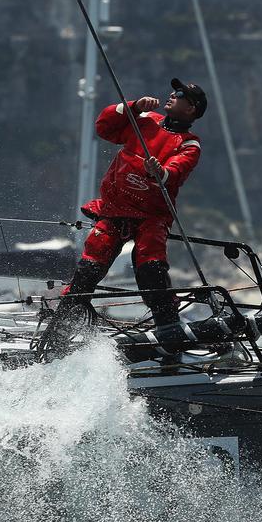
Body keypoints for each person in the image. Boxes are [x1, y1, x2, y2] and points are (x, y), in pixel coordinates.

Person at [60, 77, 208, 354]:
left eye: (179, 94)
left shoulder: (190, 144)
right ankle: (58, 333)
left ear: (191, 109)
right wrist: (133, 105)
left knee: (151, 271)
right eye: (173, 91)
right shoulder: (145, 119)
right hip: (114, 211)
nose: (171, 95)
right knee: (88, 270)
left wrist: (159, 173)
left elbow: (176, 172)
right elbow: (104, 127)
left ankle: (171, 342)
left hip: (151, 217)